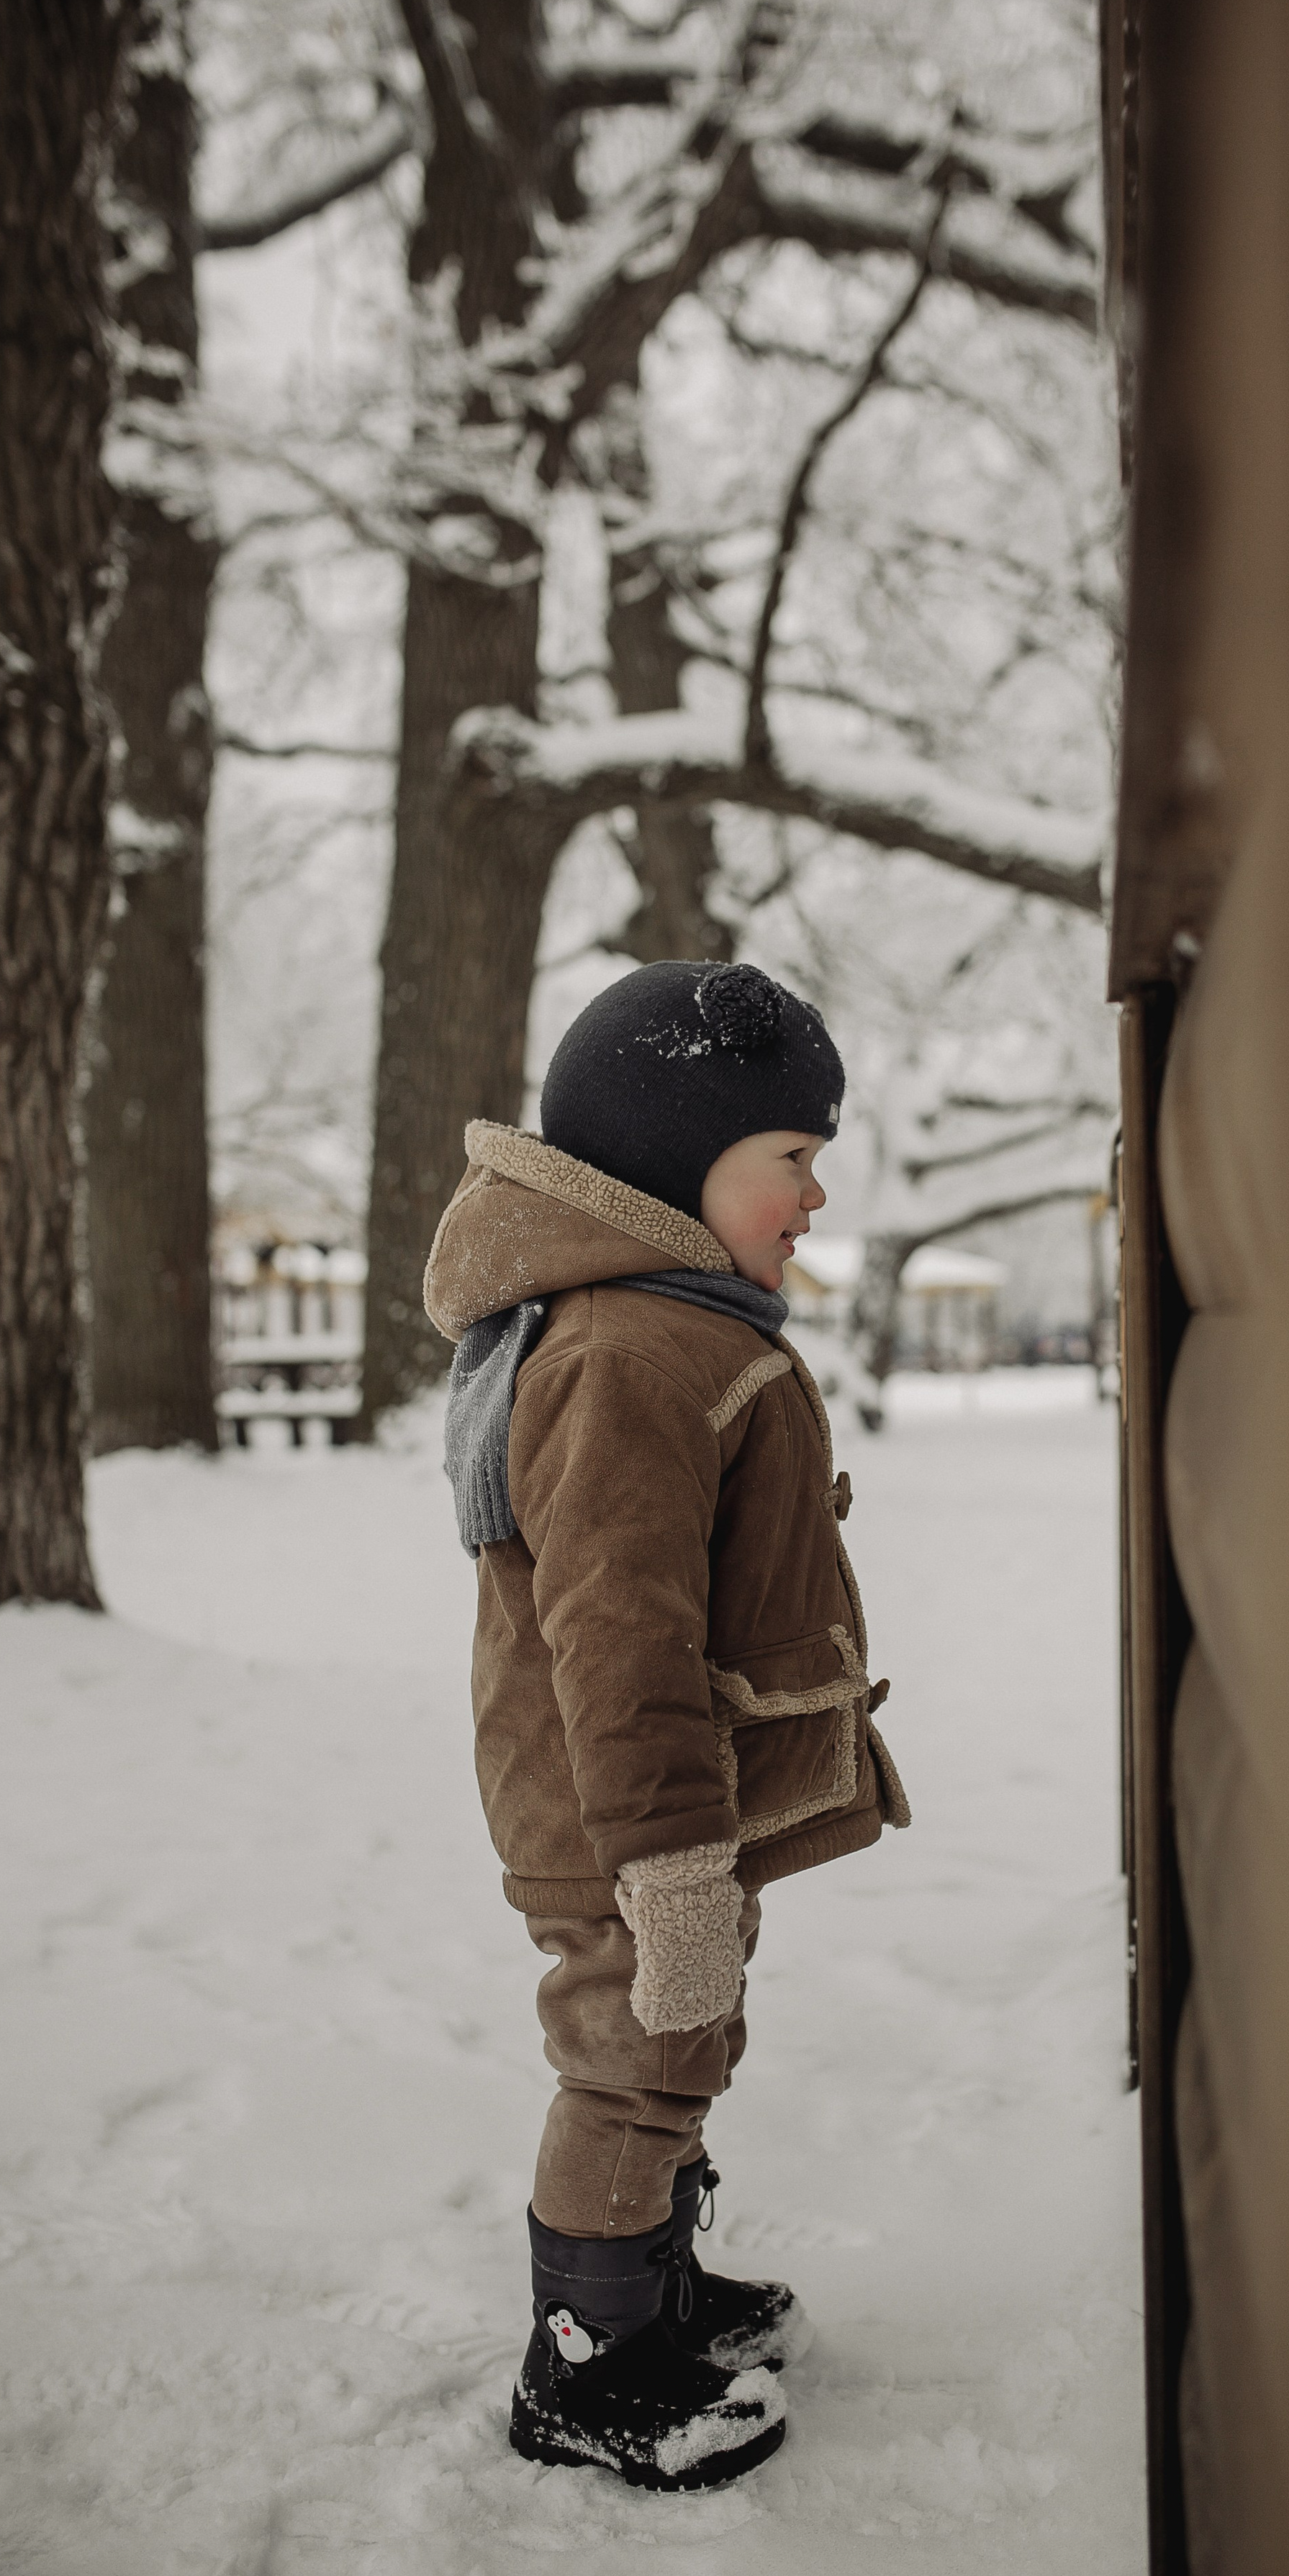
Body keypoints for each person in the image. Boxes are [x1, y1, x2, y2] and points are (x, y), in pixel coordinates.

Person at [423, 959, 910, 2493]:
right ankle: (589, 2357)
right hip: (622, 1809)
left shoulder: (673, 1323)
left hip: (668, 1804)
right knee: (633, 2058)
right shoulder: (628, 1352)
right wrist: (669, 1865)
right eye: (791, 1159)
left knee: (676, 2044)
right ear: (672, 1156)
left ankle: (657, 2286)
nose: (813, 1197)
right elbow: (618, 1638)